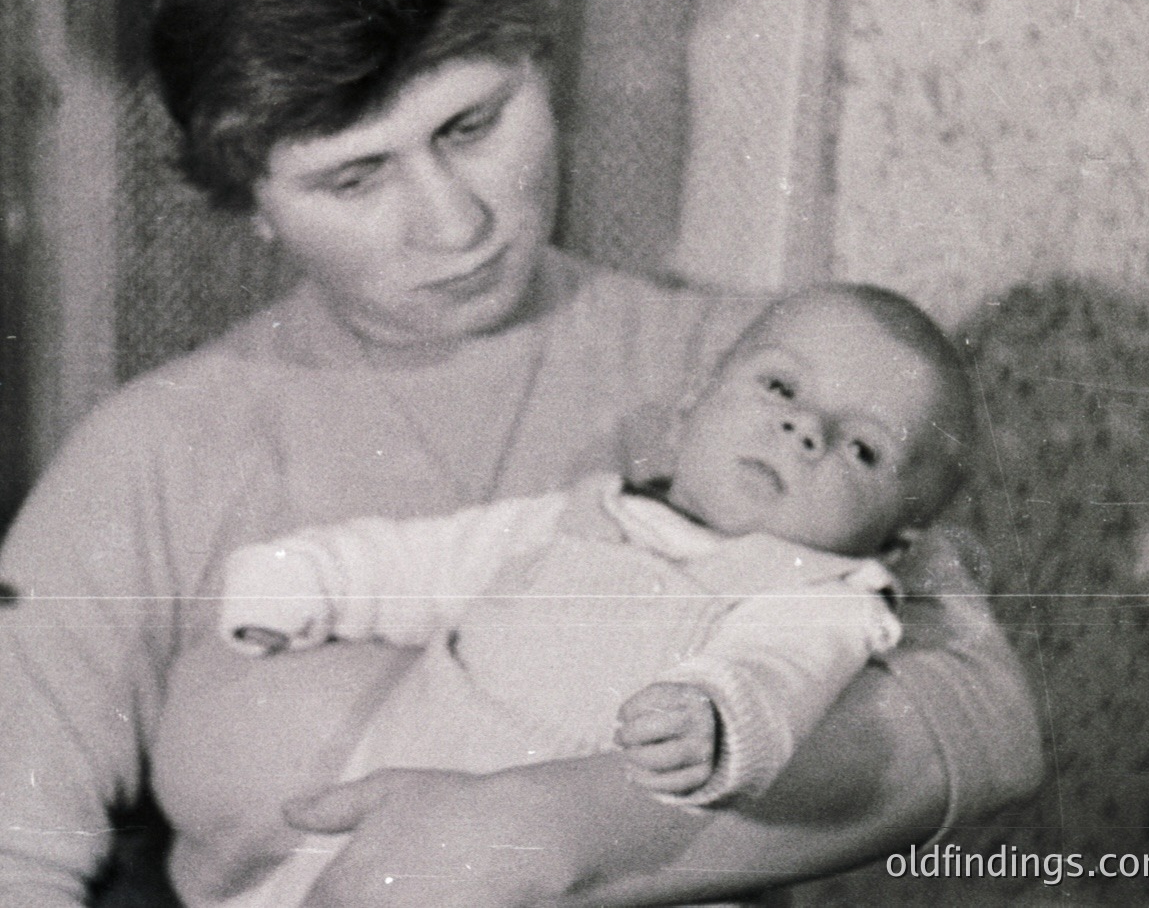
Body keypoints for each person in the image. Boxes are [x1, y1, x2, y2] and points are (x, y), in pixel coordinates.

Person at [0, 0, 1043, 906]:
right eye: (355, 177)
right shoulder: (150, 455)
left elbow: (986, 721)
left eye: (471, 125)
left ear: (541, 68)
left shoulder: (749, 376)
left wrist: (545, 831)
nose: (453, 223)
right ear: (250, 200)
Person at [214, 284, 976, 906]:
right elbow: (427, 561)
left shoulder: (820, 594)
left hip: (592, 874)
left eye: (862, 447)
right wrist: (308, 576)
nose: (804, 428)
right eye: (780, 385)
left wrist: (717, 717)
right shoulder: (579, 514)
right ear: (692, 404)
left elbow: (781, 671)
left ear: (894, 543)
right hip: (385, 818)